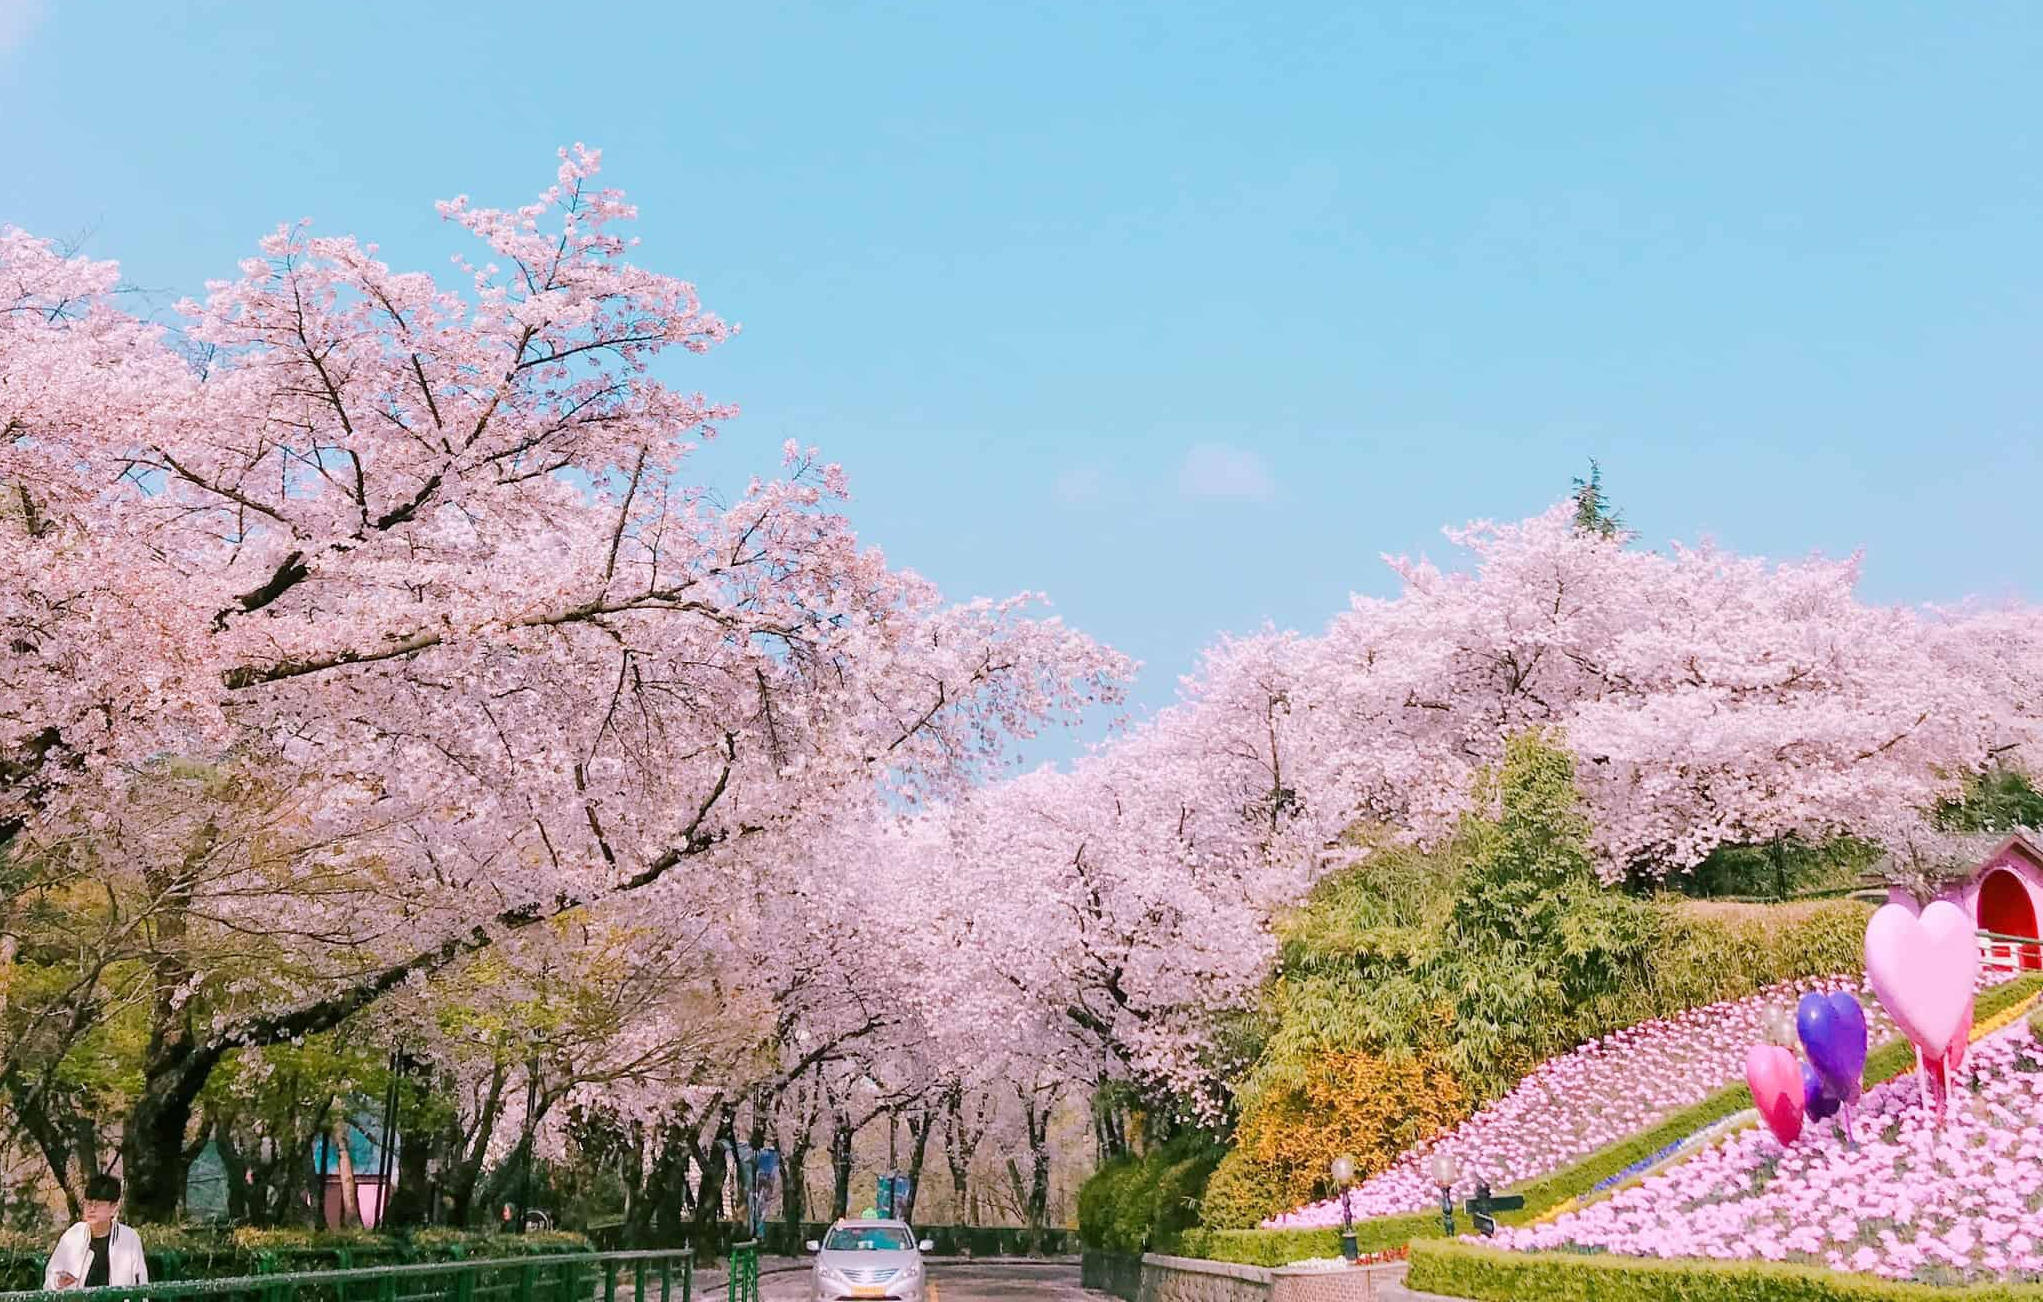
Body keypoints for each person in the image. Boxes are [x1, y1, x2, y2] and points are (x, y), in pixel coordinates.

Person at [45, 1174, 148, 1290]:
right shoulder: (73, 1236)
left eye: (98, 1204)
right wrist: (58, 1282)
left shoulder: (129, 1238)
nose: (92, 1209)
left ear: (113, 1208)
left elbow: (141, 1283)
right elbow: (50, 1278)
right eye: (89, 1203)